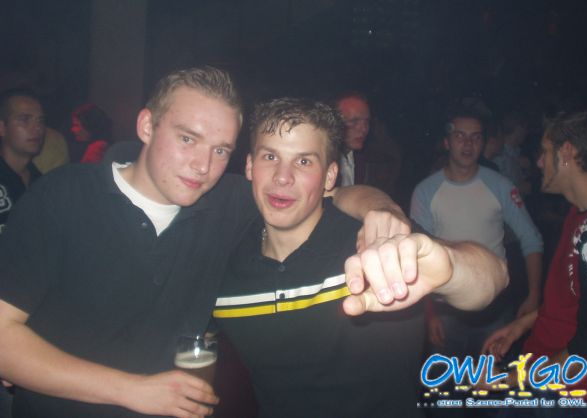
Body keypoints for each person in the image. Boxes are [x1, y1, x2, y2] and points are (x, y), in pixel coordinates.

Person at [0, 66, 431, 418]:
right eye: (187, 138)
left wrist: (381, 210)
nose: (202, 165)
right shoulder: (64, 196)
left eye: (221, 150)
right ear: (147, 125)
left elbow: (323, 191)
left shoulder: (229, 202)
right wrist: (133, 390)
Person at [213, 98, 508, 418]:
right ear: (249, 166)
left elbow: (494, 277)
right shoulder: (224, 265)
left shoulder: (375, 241)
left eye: (304, 161)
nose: (283, 177)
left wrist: (450, 268)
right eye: (270, 157)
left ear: (330, 176)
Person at [482, 109, 587, 410]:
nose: (538, 162)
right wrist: (520, 325)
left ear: (566, 152)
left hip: (570, 394)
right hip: (542, 375)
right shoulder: (577, 214)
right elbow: (572, 301)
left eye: (544, 152)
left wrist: (506, 380)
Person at [409, 109, 543, 363]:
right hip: (445, 309)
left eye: (476, 137)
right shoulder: (425, 191)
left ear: (483, 143)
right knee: (444, 384)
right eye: (460, 136)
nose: (468, 144)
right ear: (447, 142)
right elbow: (418, 255)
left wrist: (534, 294)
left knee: (490, 384)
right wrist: (429, 314)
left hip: (495, 309)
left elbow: (531, 238)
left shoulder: (500, 185)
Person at [335, 92, 401, 197]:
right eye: (354, 121)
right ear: (334, 122)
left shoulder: (363, 162)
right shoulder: (323, 162)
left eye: (366, 122)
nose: (364, 129)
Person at [0, 88, 45, 234]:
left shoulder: (41, 182)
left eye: (40, 121)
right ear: (2, 127)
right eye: (24, 119)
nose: (37, 128)